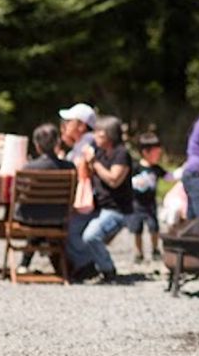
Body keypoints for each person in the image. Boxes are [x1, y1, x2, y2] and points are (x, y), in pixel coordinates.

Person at [66, 116, 131, 283]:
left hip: (116, 210)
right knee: (69, 230)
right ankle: (86, 266)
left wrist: (93, 162)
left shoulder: (121, 154)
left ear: (109, 135)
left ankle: (108, 270)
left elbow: (114, 180)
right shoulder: (100, 152)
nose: (94, 136)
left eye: (98, 133)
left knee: (90, 236)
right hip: (97, 207)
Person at [15, 124, 75, 276]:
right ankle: (60, 267)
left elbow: (20, 196)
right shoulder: (69, 168)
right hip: (59, 218)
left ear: (36, 145)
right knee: (44, 214)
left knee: (37, 213)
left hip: (29, 219)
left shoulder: (28, 167)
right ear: (57, 143)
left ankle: (24, 264)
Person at [126, 132, 166, 263]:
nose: (159, 155)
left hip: (151, 205)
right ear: (145, 152)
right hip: (136, 204)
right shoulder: (136, 167)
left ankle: (155, 249)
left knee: (154, 227)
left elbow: (168, 177)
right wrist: (136, 182)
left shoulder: (156, 168)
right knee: (137, 229)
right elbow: (127, 180)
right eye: (156, 152)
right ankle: (139, 252)